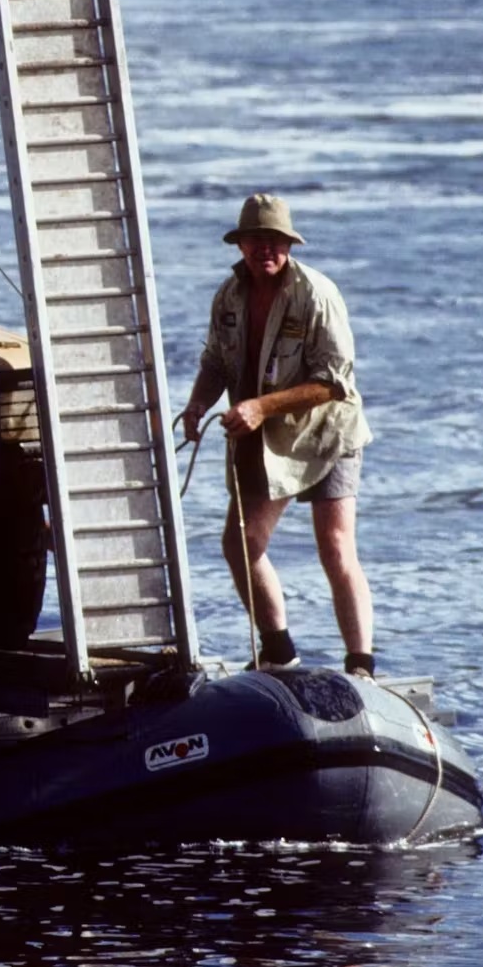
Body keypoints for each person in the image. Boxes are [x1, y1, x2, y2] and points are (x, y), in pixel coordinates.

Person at [177, 194, 375, 678]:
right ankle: (279, 648)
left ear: (289, 245)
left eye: (276, 241)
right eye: (257, 241)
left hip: (329, 433)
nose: (266, 249)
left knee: (334, 546)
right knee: (240, 542)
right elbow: (216, 362)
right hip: (263, 437)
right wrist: (199, 402)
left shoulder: (317, 294)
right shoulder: (228, 295)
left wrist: (260, 407)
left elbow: (333, 383)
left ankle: (362, 663)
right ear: (241, 244)